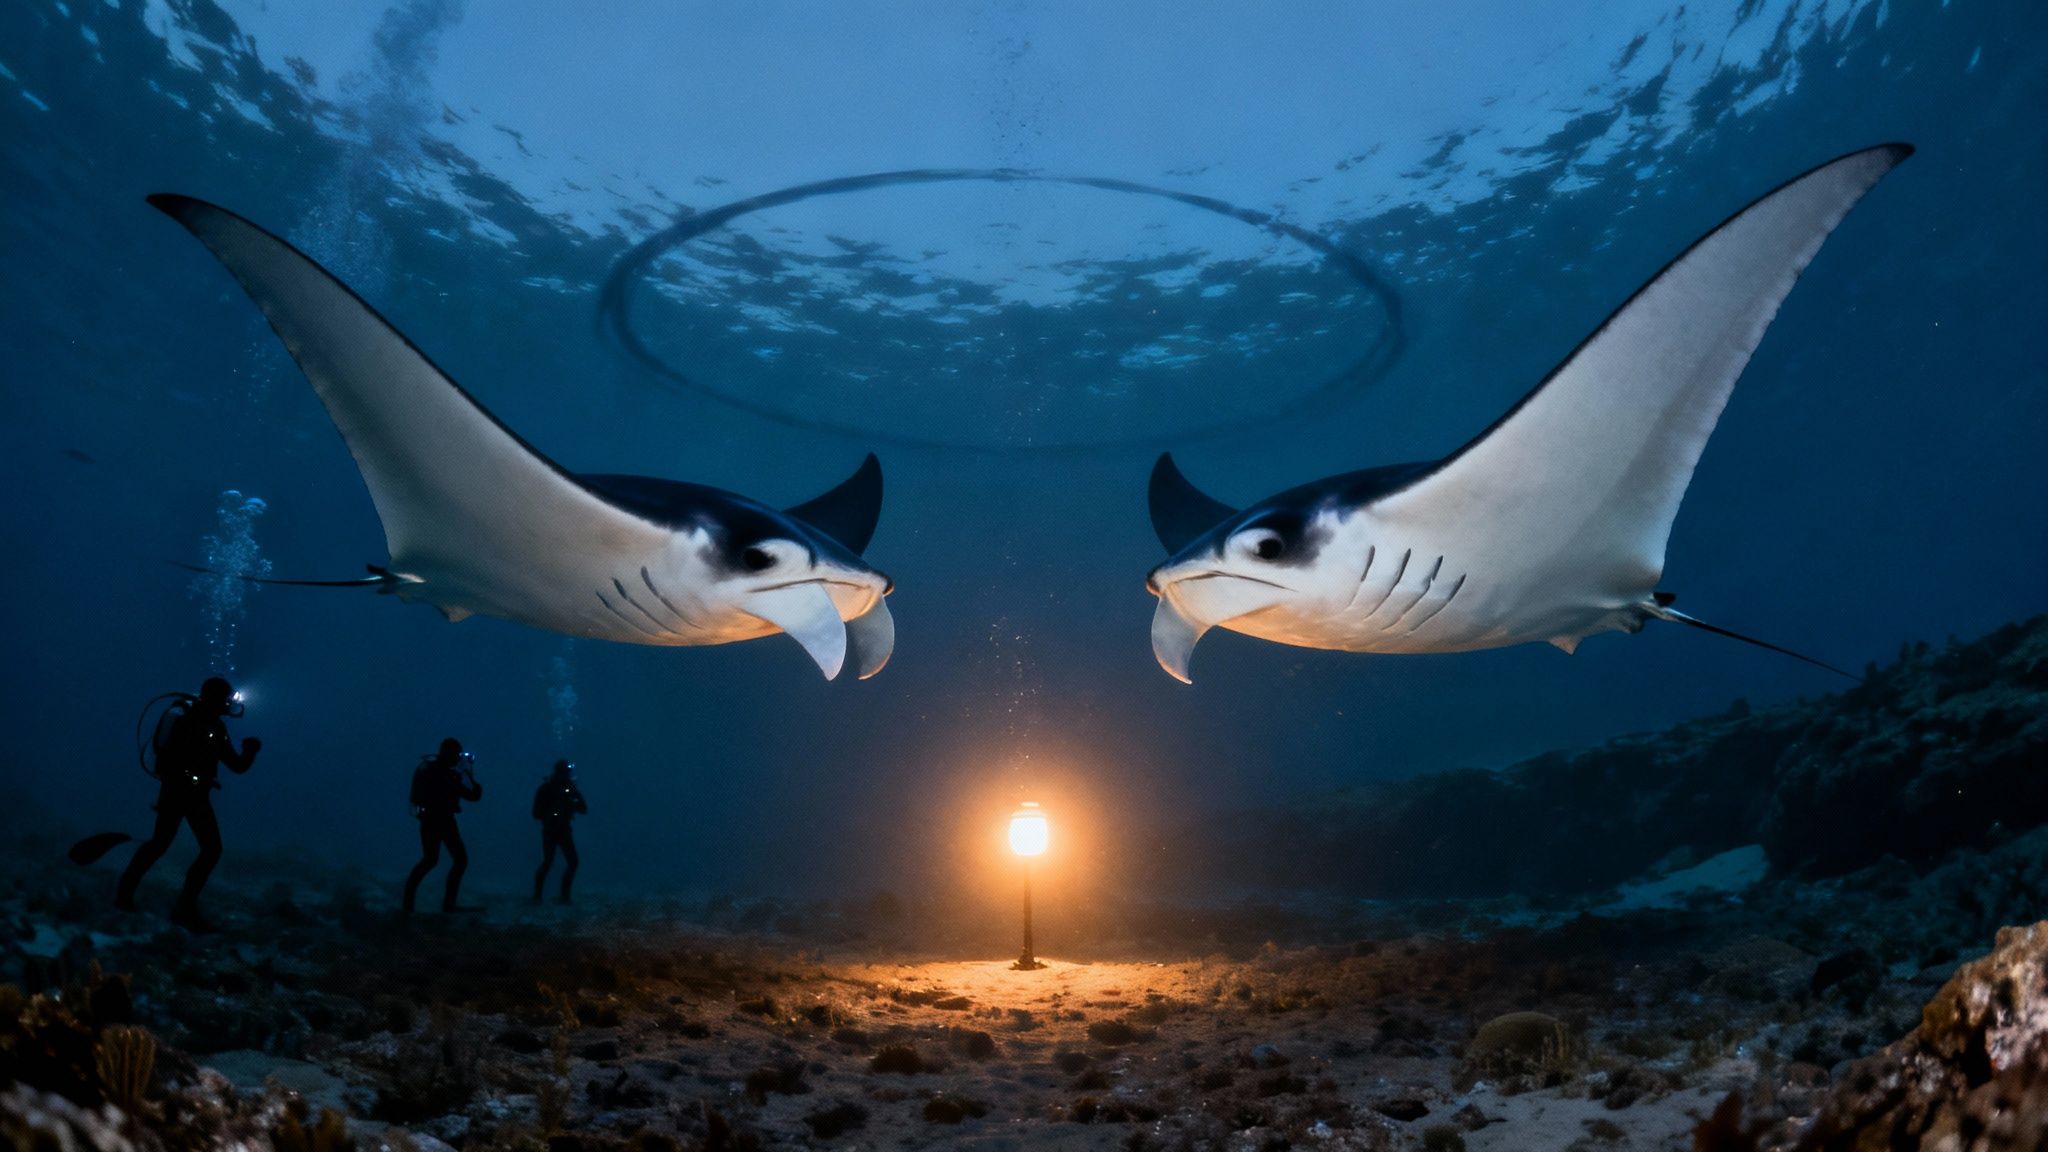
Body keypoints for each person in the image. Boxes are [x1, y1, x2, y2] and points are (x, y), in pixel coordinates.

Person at [115, 676, 261, 931]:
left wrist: (249, 752)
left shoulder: (205, 724)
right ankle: (181, 908)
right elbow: (236, 766)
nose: (229, 705)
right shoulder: (202, 723)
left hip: (179, 793)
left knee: (162, 844)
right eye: (225, 699)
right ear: (216, 699)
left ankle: (128, 895)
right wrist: (250, 751)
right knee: (206, 849)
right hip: (187, 795)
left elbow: (235, 765)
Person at [402, 737, 483, 915]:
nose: (458, 758)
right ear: (448, 753)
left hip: (437, 820)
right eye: (457, 754)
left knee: (433, 860)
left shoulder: (440, 770)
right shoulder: (439, 771)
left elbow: (473, 796)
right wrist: (464, 773)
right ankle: (443, 906)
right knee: (447, 860)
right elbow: (468, 794)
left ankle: (411, 905)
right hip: (438, 820)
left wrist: (468, 773)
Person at [530, 759, 589, 905]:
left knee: (569, 862)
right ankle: (539, 897)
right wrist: (551, 814)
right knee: (549, 862)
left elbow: (583, 808)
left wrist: (572, 800)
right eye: (565, 772)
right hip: (551, 831)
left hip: (562, 831)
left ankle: (562, 897)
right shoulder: (546, 789)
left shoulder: (569, 789)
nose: (566, 775)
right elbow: (536, 813)